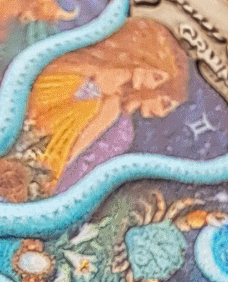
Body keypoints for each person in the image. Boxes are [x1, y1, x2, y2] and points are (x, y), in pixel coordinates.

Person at [29, 18, 189, 192]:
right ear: (141, 58)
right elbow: (43, 91)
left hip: (43, 160)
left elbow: (76, 149)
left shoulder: (113, 108)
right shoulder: (88, 67)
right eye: (156, 77)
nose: (151, 86)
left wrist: (55, 174)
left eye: (158, 83)